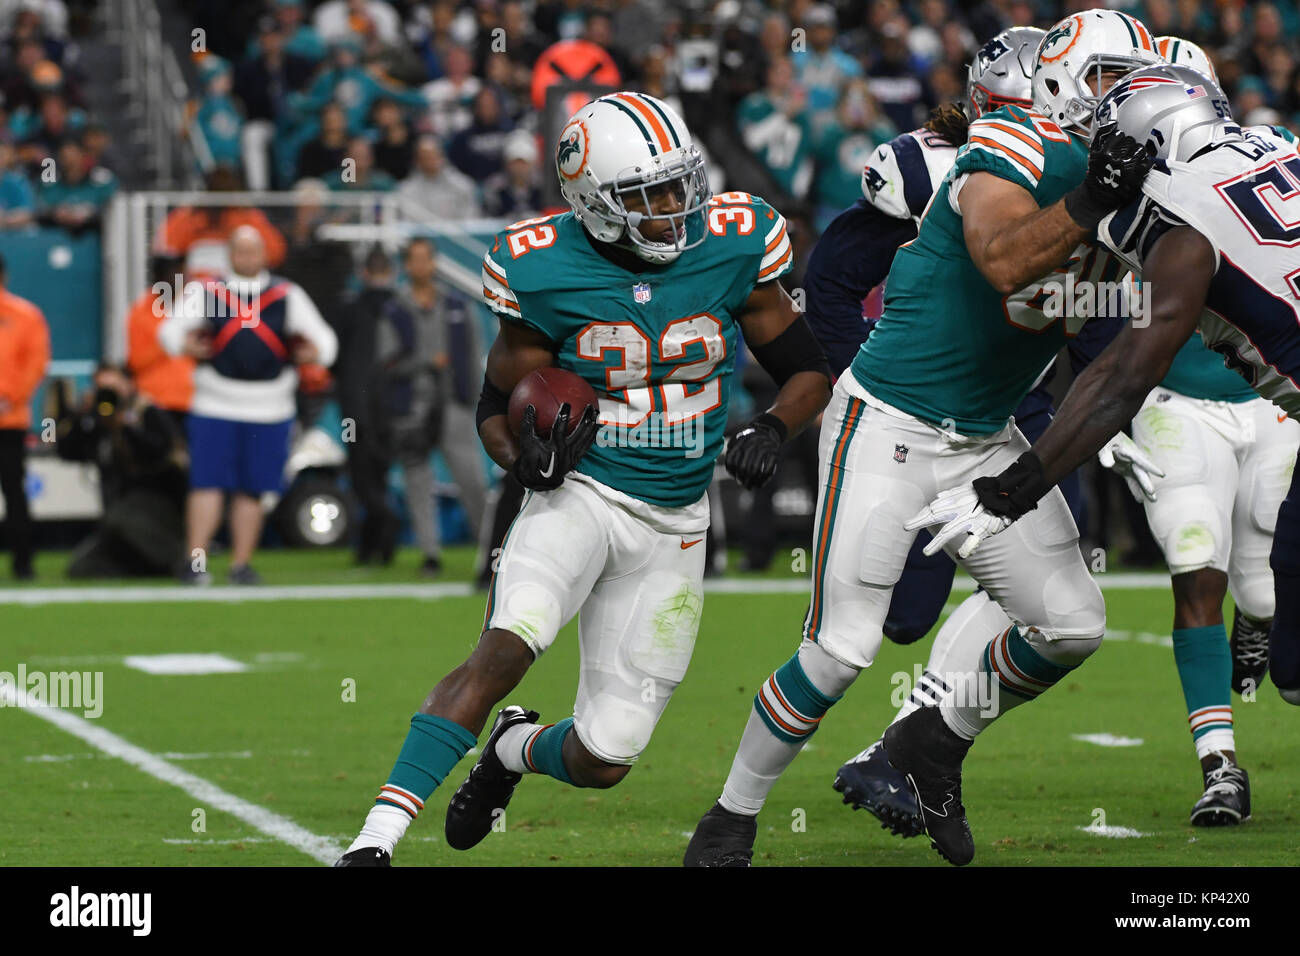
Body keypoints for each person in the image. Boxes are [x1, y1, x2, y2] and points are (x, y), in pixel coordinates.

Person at [683, 9, 1161, 868]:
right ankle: (732, 812)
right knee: (842, 650)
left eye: (1136, 80)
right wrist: (1095, 200)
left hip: (990, 433)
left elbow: (1127, 310)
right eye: (1105, 78)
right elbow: (1009, 262)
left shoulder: (1139, 180)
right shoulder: (1013, 142)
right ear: (1056, 81)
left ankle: (927, 742)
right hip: (891, 421)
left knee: (1072, 623)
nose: (1124, 98)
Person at [335, 91, 831, 866]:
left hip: (675, 520)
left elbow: (806, 370)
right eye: (649, 195)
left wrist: (774, 426)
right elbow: (496, 404)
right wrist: (521, 458)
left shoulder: (736, 241)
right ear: (594, 203)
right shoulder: (542, 267)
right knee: (504, 648)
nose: (675, 208)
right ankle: (373, 842)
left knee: (606, 758)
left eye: (680, 184)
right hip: (583, 494)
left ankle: (511, 751)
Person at [929, 64, 1300, 791]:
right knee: (1288, 654)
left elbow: (1124, 374)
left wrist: (1014, 488)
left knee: (1290, 657)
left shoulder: (1187, 219)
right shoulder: (1278, 142)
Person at [159, 226, 337, 585]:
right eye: (239, 251)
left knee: (253, 489)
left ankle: (241, 564)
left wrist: (313, 354)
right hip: (214, 404)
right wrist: (185, 347)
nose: (246, 258)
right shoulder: (206, 291)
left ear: (264, 255)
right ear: (229, 254)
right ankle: (196, 561)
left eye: (252, 251)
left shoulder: (287, 294)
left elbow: (326, 341)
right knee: (206, 484)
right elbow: (169, 332)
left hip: (270, 408)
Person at [379, 237, 487, 575]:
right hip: (412, 405)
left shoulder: (457, 305)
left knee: (472, 480)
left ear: (434, 263)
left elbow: (472, 354)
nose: (421, 266)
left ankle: (491, 550)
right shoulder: (395, 309)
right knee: (417, 482)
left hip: (454, 403)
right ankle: (430, 554)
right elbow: (386, 360)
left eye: (426, 259)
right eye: (414, 260)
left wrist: (475, 398)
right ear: (406, 265)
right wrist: (427, 362)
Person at [56, 365, 188, 578]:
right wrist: (79, 418)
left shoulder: (148, 412)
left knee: (118, 516)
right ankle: (150, 568)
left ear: (130, 385)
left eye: (114, 387)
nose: (109, 394)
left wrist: (126, 427)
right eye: (102, 388)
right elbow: (67, 452)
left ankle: (173, 557)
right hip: (119, 523)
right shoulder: (98, 422)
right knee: (81, 569)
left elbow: (159, 453)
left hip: (158, 510)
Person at [0, 252, 50, 580]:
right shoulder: (25, 314)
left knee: (14, 492)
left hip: (10, 419)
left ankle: (23, 563)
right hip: (10, 415)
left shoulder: (25, 315)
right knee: (15, 490)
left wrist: (9, 399)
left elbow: (35, 363)